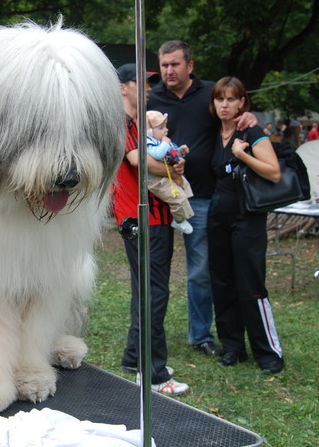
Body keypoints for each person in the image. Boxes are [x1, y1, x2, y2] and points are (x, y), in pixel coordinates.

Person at [148, 40, 256, 358]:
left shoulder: (210, 94)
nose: (169, 70)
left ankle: (200, 334)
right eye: (164, 65)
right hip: (158, 196)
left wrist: (248, 118)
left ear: (190, 66)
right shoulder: (152, 98)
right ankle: (153, 335)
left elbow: (235, 114)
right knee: (157, 270)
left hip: (201, 197)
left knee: (199, 271)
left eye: (175, 64)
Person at [111, 63, 190, 396]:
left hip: (147, 215)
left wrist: (172, 163)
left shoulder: (136, 123)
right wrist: (171, 165)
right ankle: (154, 374)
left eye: (148, 84)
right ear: (121, 88)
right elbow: (137, 161)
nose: (146, 89)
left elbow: (153, 159)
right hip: (144, 217)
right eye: (138, 83)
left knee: (144, 289)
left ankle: (134, 358)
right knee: (153, 294)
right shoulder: (122, 123)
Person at [208, 76, 284, 375]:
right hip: (218, 218)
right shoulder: (214, 132)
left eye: (230, 99)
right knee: (222, 283)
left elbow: (274, 172)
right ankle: (233, 347)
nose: (224, 104)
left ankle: (268, 353)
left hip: (248, 218)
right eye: (219, 99)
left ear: (242, 102)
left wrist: (242, 154)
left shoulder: (250, 131)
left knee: (250, 285)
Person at [145, 110, 194, 234]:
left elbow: (172, 153)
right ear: (150, 131)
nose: (166, 130)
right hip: (156, 180)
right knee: (177, 197)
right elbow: (157, 154)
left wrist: (181, 151)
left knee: (185, 186)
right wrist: (165, 144)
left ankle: (183, 207)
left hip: (166, 175)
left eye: (165, 126)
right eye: (161, 128)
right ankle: (178, 220)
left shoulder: (161, 142)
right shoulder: (149, 142)